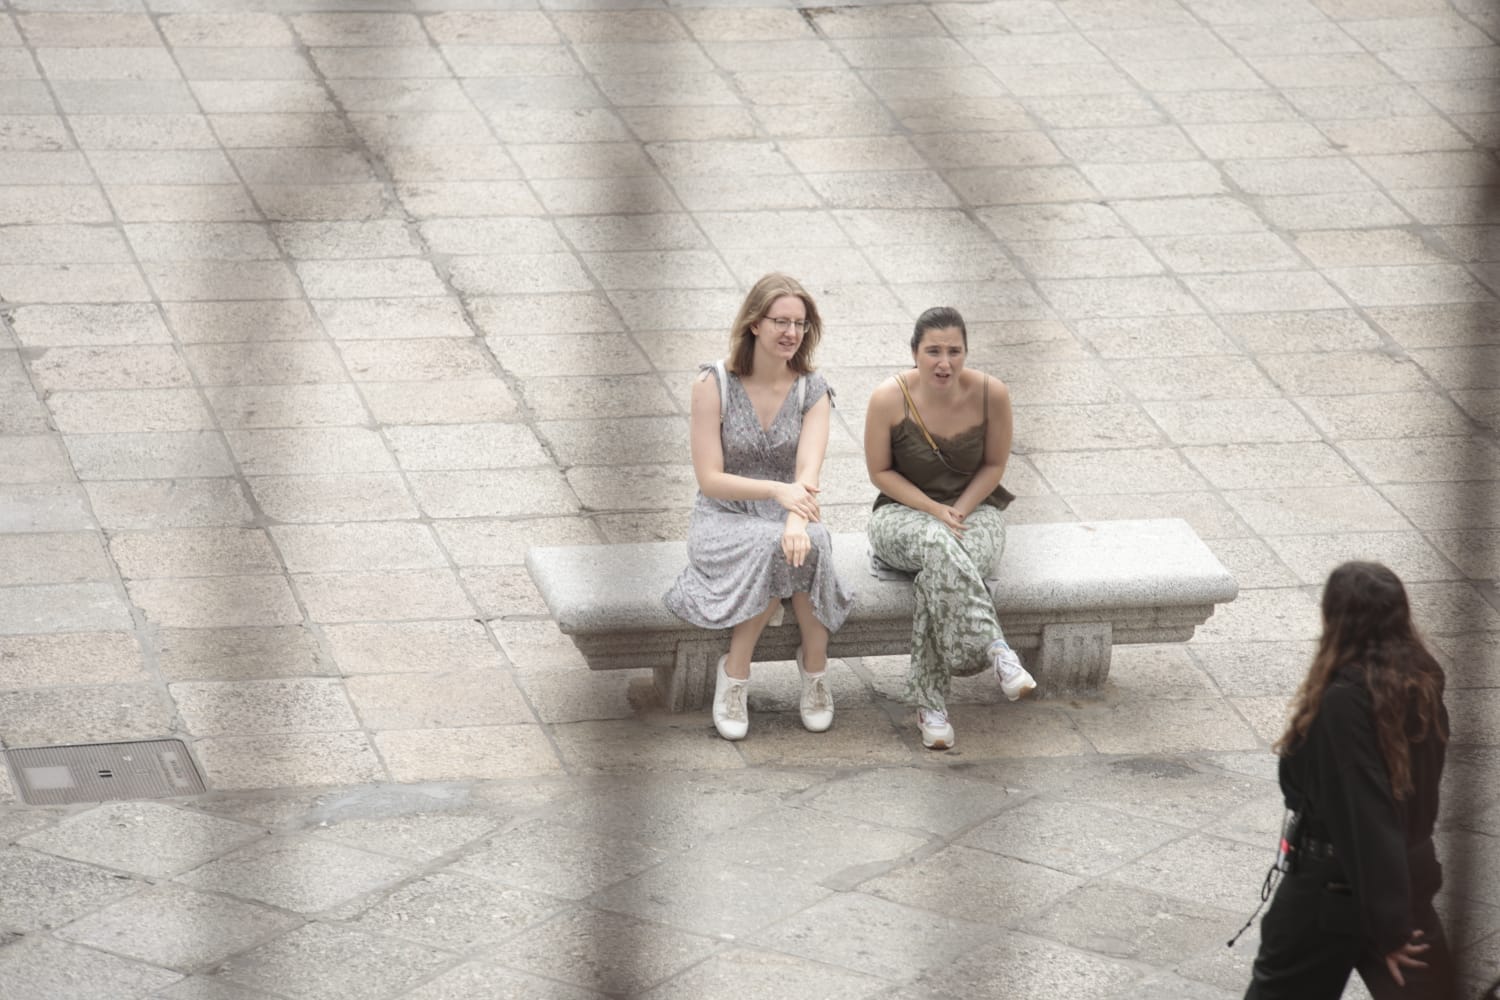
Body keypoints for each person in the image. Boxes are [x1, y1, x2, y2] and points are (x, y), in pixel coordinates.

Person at [1244, 561, 1452, 1000]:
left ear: (1335, 620)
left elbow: (1367, 814)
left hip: (1334, 890)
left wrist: (1391, 930)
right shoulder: (1423, 681)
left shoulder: (1341, 705)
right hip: (1405, 880)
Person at [664, 273, 854, 741]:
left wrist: (795, 520)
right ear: (754, 323)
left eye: (800, 324)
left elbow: (808, 472)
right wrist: (776, 493)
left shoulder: (812, 390)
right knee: (777, 549)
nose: (792, 333)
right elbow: (710, 478)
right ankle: (735, 673)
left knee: (813, 542)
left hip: (790, 513)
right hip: (723, 518)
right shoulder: (713, 383)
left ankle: (815, 670)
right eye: (780, 322)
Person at [863, 306, 1035, 751]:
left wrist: (957, 509)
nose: (944, 362)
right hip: (902, 514)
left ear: (966, 353)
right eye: (933, 351)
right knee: (940, 546)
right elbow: (880, 472)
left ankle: (931, 705)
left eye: (954, 352)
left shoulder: (992, 394)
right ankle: (996, 648)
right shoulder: (888, 397)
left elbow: (994, 465)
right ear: (914, 353)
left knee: (937, 576)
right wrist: (934, 510)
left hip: (975, 511)